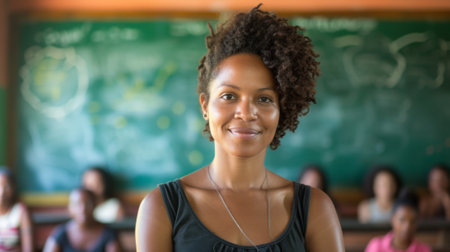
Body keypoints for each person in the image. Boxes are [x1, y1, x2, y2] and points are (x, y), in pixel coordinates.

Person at [136, 5, 344, 251]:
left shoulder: (314, 209)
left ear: (282, 109)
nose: (246, 113)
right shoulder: (162, 207)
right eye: (229, 96)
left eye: (264, 99)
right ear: (205, 105)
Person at [43, 187, 121, 252]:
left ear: (95, 205)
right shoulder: (61, 233)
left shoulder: (108, 233)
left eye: (88, 203)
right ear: (70, 208)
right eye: (77, 204)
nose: (83, 209)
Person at [364, 188, 431, 252]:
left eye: (413, 221)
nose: (407, 227)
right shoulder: (377, 246)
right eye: (402, 220)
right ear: (392, 219)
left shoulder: (423, 250)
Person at [0, 167, 34, 252]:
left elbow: (28, 249)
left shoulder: (20, 212)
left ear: (13, 188)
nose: (2, 192)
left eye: (6, 186)